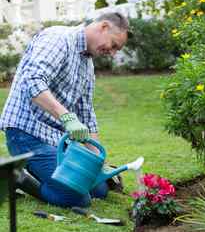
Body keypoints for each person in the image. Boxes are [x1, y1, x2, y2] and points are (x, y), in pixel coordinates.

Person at [0, 12, 129, 209]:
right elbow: (32, 82)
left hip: (55, 140)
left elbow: (86, 114)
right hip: (26, 133)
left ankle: (37, 171)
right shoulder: (57, 39)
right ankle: (16, 177)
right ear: (103, 27)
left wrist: (97, 162)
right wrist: (66, 117)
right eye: (113, 45)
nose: (111, 53)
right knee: (76, 197)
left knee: (99, 189)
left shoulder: (87, 65)